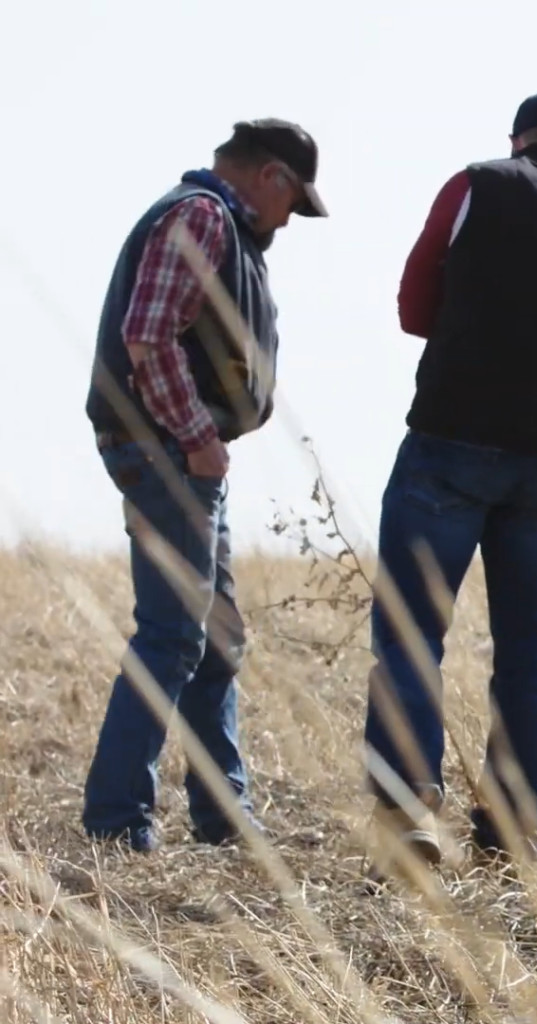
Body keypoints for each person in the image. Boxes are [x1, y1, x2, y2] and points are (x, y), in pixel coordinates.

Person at [363, 91, 537, 869]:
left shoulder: (476, 185)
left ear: (519, 139)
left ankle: (412, 808)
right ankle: (515, 824)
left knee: (412, 634)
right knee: (531, 653)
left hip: (450, 442)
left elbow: (414, 307)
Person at [82, 119, 328, 852]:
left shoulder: (217, 223)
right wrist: (195, 438)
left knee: (213, 637)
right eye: (293, 203)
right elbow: (149, 335)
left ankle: (224, 819)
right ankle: (116, 823)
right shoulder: (199, 215)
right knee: (174, 631)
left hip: (180, 453)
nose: (289, 220)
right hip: (167, 451)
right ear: (272, 177)